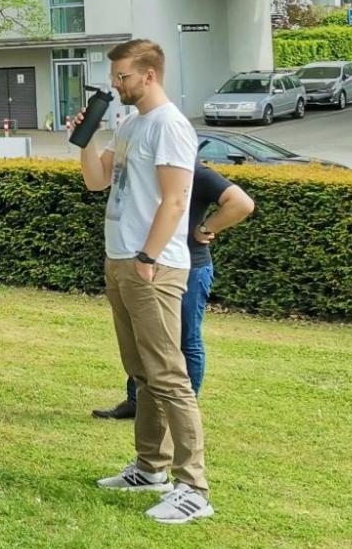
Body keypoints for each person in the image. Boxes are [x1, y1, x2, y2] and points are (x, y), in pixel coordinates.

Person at [76, 38, 212, 524]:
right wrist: (87, 138)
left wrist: (148, 258)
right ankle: (150, 468)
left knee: (170, 376)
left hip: (152, 265)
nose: (116, 85)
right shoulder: (131, 124)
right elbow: (97, 182)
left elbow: (175, 201)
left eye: (123, 77)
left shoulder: (170, 126)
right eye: (114, 77)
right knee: (143, 374)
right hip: (122, 260)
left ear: (149, 75)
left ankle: (193, 487)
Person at [93, 165, 255, 419]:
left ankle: (183, 408)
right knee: (144, 335)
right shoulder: (152, 172)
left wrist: (206, 228)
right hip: (152, 265)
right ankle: (138, 402)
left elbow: (242, 203)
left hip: (190, 268)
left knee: (187, 338)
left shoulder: (196, 172)